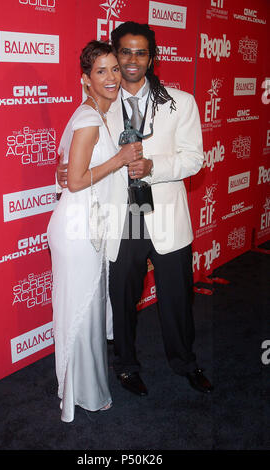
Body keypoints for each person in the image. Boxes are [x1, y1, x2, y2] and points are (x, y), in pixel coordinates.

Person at [57, 22, 213, 397]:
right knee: (122, 298)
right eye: (124, 51)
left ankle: (185, 363)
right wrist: (65, 170)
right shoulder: (100, 105)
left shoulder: (180, 102)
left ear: (152, 58)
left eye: (140, 52)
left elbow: (194, 159)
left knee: (177, 298)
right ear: (115, 55)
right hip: (120, 217)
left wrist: (155, 167)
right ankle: (125, 366)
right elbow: (79, 159)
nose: (131, 60)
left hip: (166, 216)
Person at [47, 40, 143, 422]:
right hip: (76, 228)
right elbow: (73, 181)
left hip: (93, 225)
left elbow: (65, 165)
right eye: (100, 71)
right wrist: (119, 160)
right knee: (80, 314)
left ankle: (86, 389)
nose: (111, 78)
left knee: (87, 313)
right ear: (85, 79)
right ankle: (81, 394)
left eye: (114, 69)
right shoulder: (88, 119)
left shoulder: (105, 113)